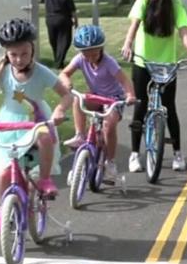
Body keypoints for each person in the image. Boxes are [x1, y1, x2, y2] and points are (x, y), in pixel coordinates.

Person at [0, 18, 72, 237]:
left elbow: (66, 95)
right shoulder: (1, 70)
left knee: (44, 138)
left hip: (35, 120)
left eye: (24, 53)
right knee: (4, 174)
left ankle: (44, 179)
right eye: (13, 54)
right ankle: (2, 209)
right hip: (8, 122)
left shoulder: (42, 72)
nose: (19, 59)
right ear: (6, 53)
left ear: (32, 49)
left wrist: (60, 111)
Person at [121, 0, 187, 173]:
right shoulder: (142, 1)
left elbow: (183, 32)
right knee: (140, 106)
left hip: (167, 65)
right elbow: (134, 26)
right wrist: (127, 44)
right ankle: (134, 154)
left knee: (169, 108)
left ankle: (177, 153)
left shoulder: (175, 6)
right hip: (143, 63)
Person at [59, 25, 137, 184]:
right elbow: (64, 73)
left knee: (109, 125)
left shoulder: (109, 63)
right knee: (78, 99)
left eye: (94, 54)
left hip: (114, 99)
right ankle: (80, 136)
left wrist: (130, 95)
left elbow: (124, 80)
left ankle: (110, 162)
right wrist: (67, 83)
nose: (90, 58)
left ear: (101, 48)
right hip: (96, 96)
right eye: (86, 55)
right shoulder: (80, 59)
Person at [34, 0, 78, 68]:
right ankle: (59, 62)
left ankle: (58, 60)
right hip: (64, 19)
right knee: (64, 41)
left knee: (53, 41)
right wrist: (76, 22)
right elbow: (72, 10)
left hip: (50, 19)